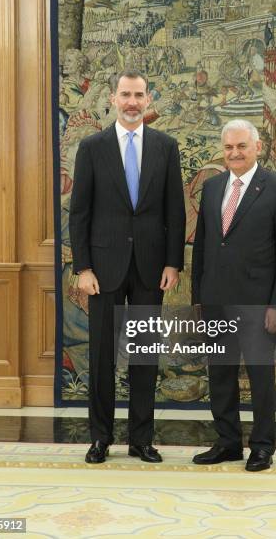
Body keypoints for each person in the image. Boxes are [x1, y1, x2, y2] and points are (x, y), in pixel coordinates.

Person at [69, 69, 186, 464]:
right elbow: (79, 212)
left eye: (138, 95)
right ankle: (100, 438)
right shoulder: (92, 147)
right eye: (125, 94)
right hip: (103, 269)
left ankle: (141, 440)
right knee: (102, 357)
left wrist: (174, 262)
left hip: (152, 269)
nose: (132, 102)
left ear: (148, 99)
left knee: (145, 356)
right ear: (113, 98)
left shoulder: (166, 147)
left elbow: (175, 210)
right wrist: (82, 267)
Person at [191, 119, 276, 471]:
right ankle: (227, 443)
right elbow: (203, 246)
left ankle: (262, 446)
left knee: (260, 376)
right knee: (220, 374)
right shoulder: (212, 188)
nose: (234, 153)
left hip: (258, 303)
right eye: (228, 147)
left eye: (241, 146)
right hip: (215, 300)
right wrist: (198, 297)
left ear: (257, 148)